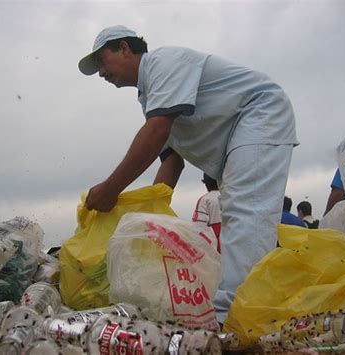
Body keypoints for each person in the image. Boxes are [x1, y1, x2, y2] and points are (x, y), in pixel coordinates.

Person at [78, 25, 298, 323]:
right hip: (235, 139)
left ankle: (233, 319)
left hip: (259, 114)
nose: (101, 73)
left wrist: (110, 190)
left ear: (125, 49)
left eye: (102, 62)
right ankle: (243, 308)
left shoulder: (163, 63)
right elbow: (172, 163)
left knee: (245, 212)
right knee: (237, 216)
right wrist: (148, 217)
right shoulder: (150, 97)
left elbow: (156, 131)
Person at [192, 173, 222, 253]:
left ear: (206, 183)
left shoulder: (205, 199)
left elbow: (198, 227)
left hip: (216, 248)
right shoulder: (230, 196)